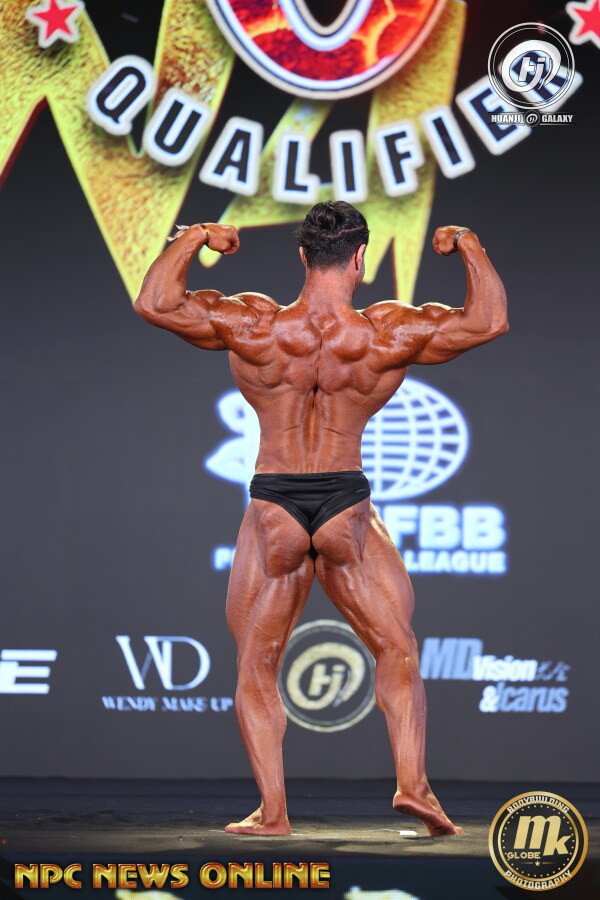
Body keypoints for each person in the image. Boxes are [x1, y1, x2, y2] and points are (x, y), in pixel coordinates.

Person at [134, 201, 508, 836]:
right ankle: (414, 786)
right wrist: (467, 243)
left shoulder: (256, 323)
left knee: (257, 662)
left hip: (274, 503)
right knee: (397, 647)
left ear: (303, 256)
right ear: (360, 257)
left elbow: (156, 304)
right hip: (345, 503)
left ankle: (274, 812)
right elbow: (488, 321)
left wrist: (196, 235)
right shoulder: (386, 333)